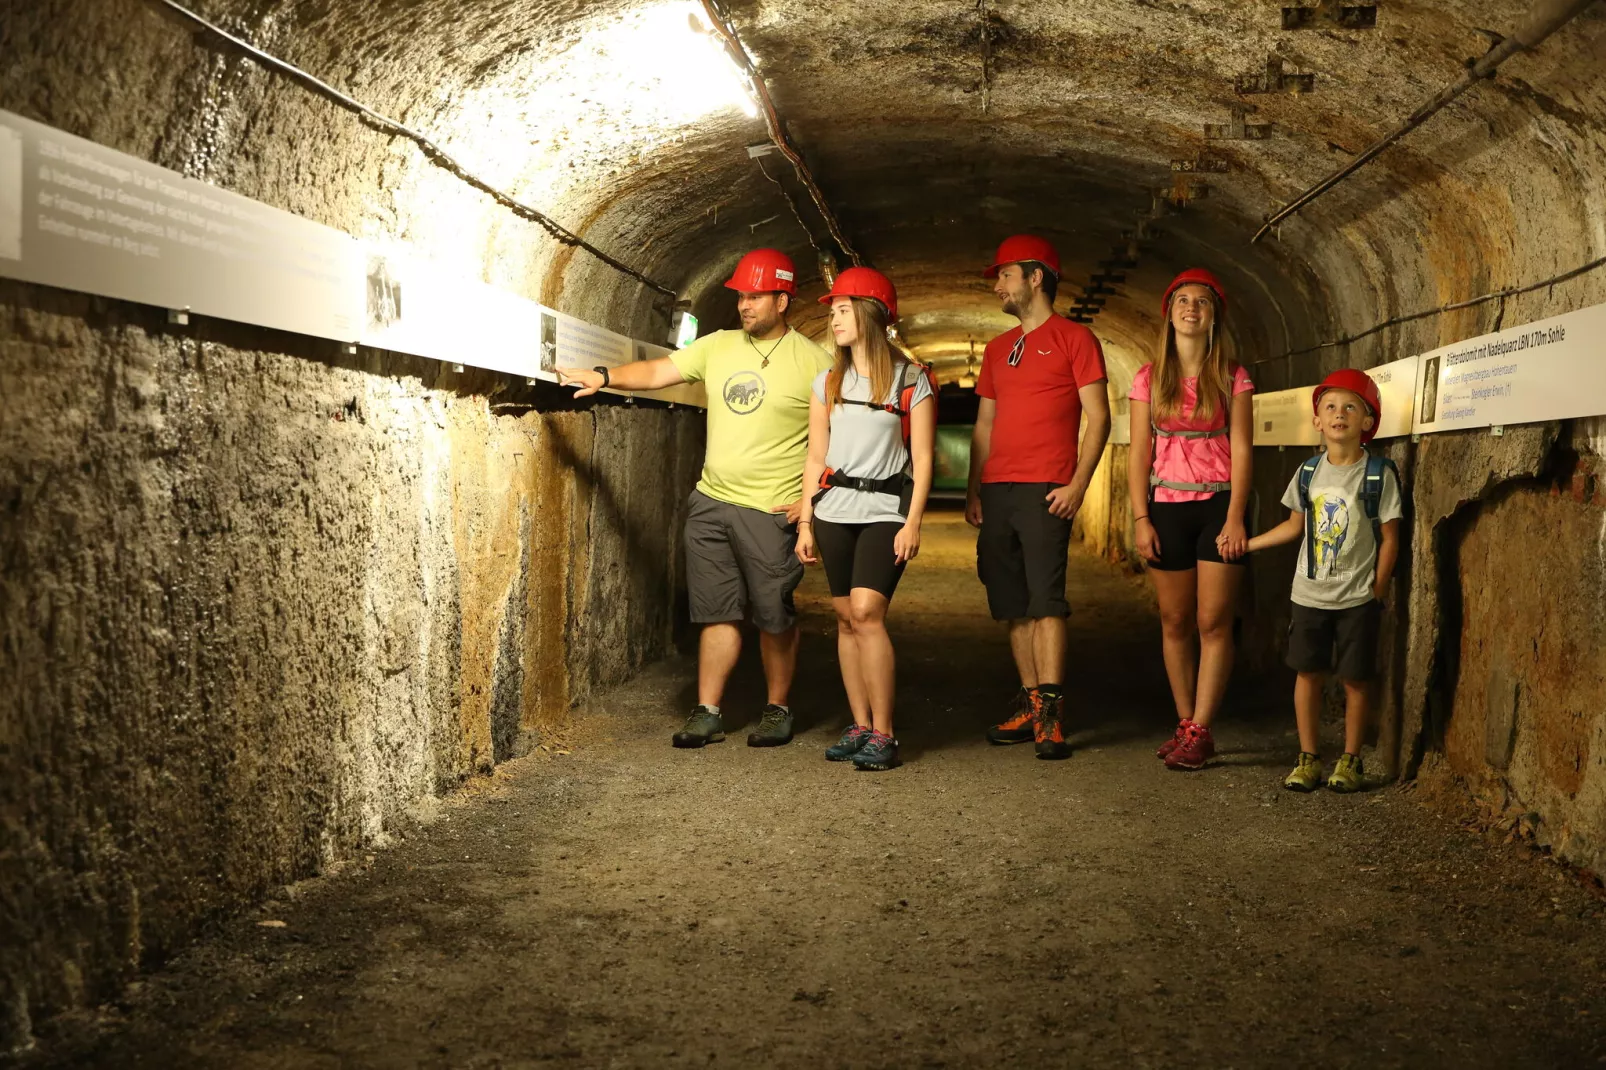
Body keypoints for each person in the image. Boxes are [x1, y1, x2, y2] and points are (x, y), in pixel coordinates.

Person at [559, 248, 832, 749]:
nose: (745, 306)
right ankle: (707, 711)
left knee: (773, 614)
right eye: (741, 296)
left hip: (771, 509)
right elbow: (659, 372)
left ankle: (777, 709)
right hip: (711, 503)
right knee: (717, 611)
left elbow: (840, 437)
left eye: (755, 296)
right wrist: (603, 377)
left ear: (783, 299)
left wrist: (812, 500)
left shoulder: (817, 364)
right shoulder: (718, 345)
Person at [967, 235, 1111, 760]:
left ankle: (1052, 714)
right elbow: (984, 424)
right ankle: (1031, 704)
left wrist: (1078, 484)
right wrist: (974, 488)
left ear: (1035, 277)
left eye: (1005, 274)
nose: (998, 285)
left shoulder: (1075, 338)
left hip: (1047, 487)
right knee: (1011, 603)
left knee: (1045, 599)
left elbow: (1100, 416)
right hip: (998, 488)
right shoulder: (997, 349)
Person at [795, 267, 935, 772]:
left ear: (871, 315)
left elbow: (922, 458)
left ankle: (885, 733)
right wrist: (807, 521)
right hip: (834, 510)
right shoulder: (827, 382)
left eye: (843, 309)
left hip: (884, 511)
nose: (833, 318)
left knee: (868, 613)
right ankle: (858, 724)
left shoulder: (911, 380)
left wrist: (913, 521)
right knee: (845, 619)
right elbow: (816, 457)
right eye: (831, 310)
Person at [1244, 369, 1402, 793]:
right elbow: (1293, 527)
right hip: (1309, 594)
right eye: (1330, 407)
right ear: (1317, 420)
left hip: (1356, 597)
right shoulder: (1308, 472)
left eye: (1352, 407)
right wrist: (1248, 544)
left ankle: (1350, 760)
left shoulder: (1378, 474)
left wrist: (1379, 587)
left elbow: (1390, 536)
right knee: (1308, 673)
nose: (1339, 414)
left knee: (1354, 678)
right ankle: (1308, 757)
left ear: (1368, 422)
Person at [1128, 269, 1255, 771]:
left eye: (1201, 301)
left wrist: (1237, 517)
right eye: (1182, 299)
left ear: (1213, 315)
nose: (1191, 308)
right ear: (1169, 312)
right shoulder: (1148, 376)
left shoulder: (1232, 375)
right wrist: (1141, 516)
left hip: (1219, 504)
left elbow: (1243, 449)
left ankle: (1202, 729)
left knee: (1212, 620)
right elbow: (1140, 451)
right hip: (1166, 506)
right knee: (1175, 619)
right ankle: (1184, 724)